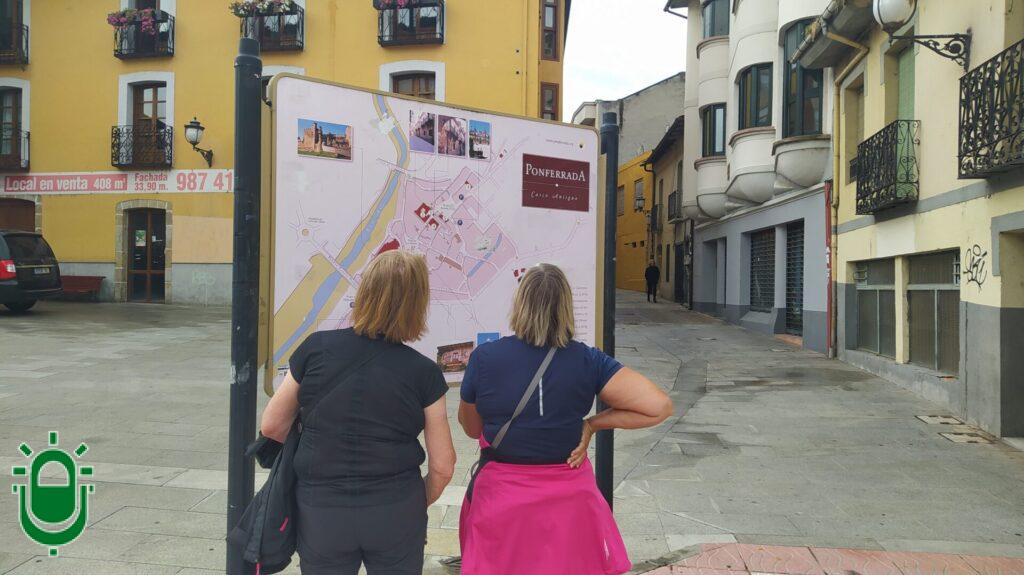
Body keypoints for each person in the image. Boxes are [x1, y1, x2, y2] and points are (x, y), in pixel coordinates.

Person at [457, 263, 674, 575]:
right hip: (570, 502)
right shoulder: (588, 360)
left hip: (503, 499)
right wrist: (592, 424)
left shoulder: (485, 358)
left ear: (520, 304)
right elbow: (659, 406)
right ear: (566, 307)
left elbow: (471, 428)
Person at [260, 250, 457, 575]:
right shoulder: (424, 372)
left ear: (364, 293)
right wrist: (417, 500)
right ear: (417, 304)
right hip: (396, 507)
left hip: (322, 508)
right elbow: (443, 465)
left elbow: (271, 426)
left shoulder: (315, 348)